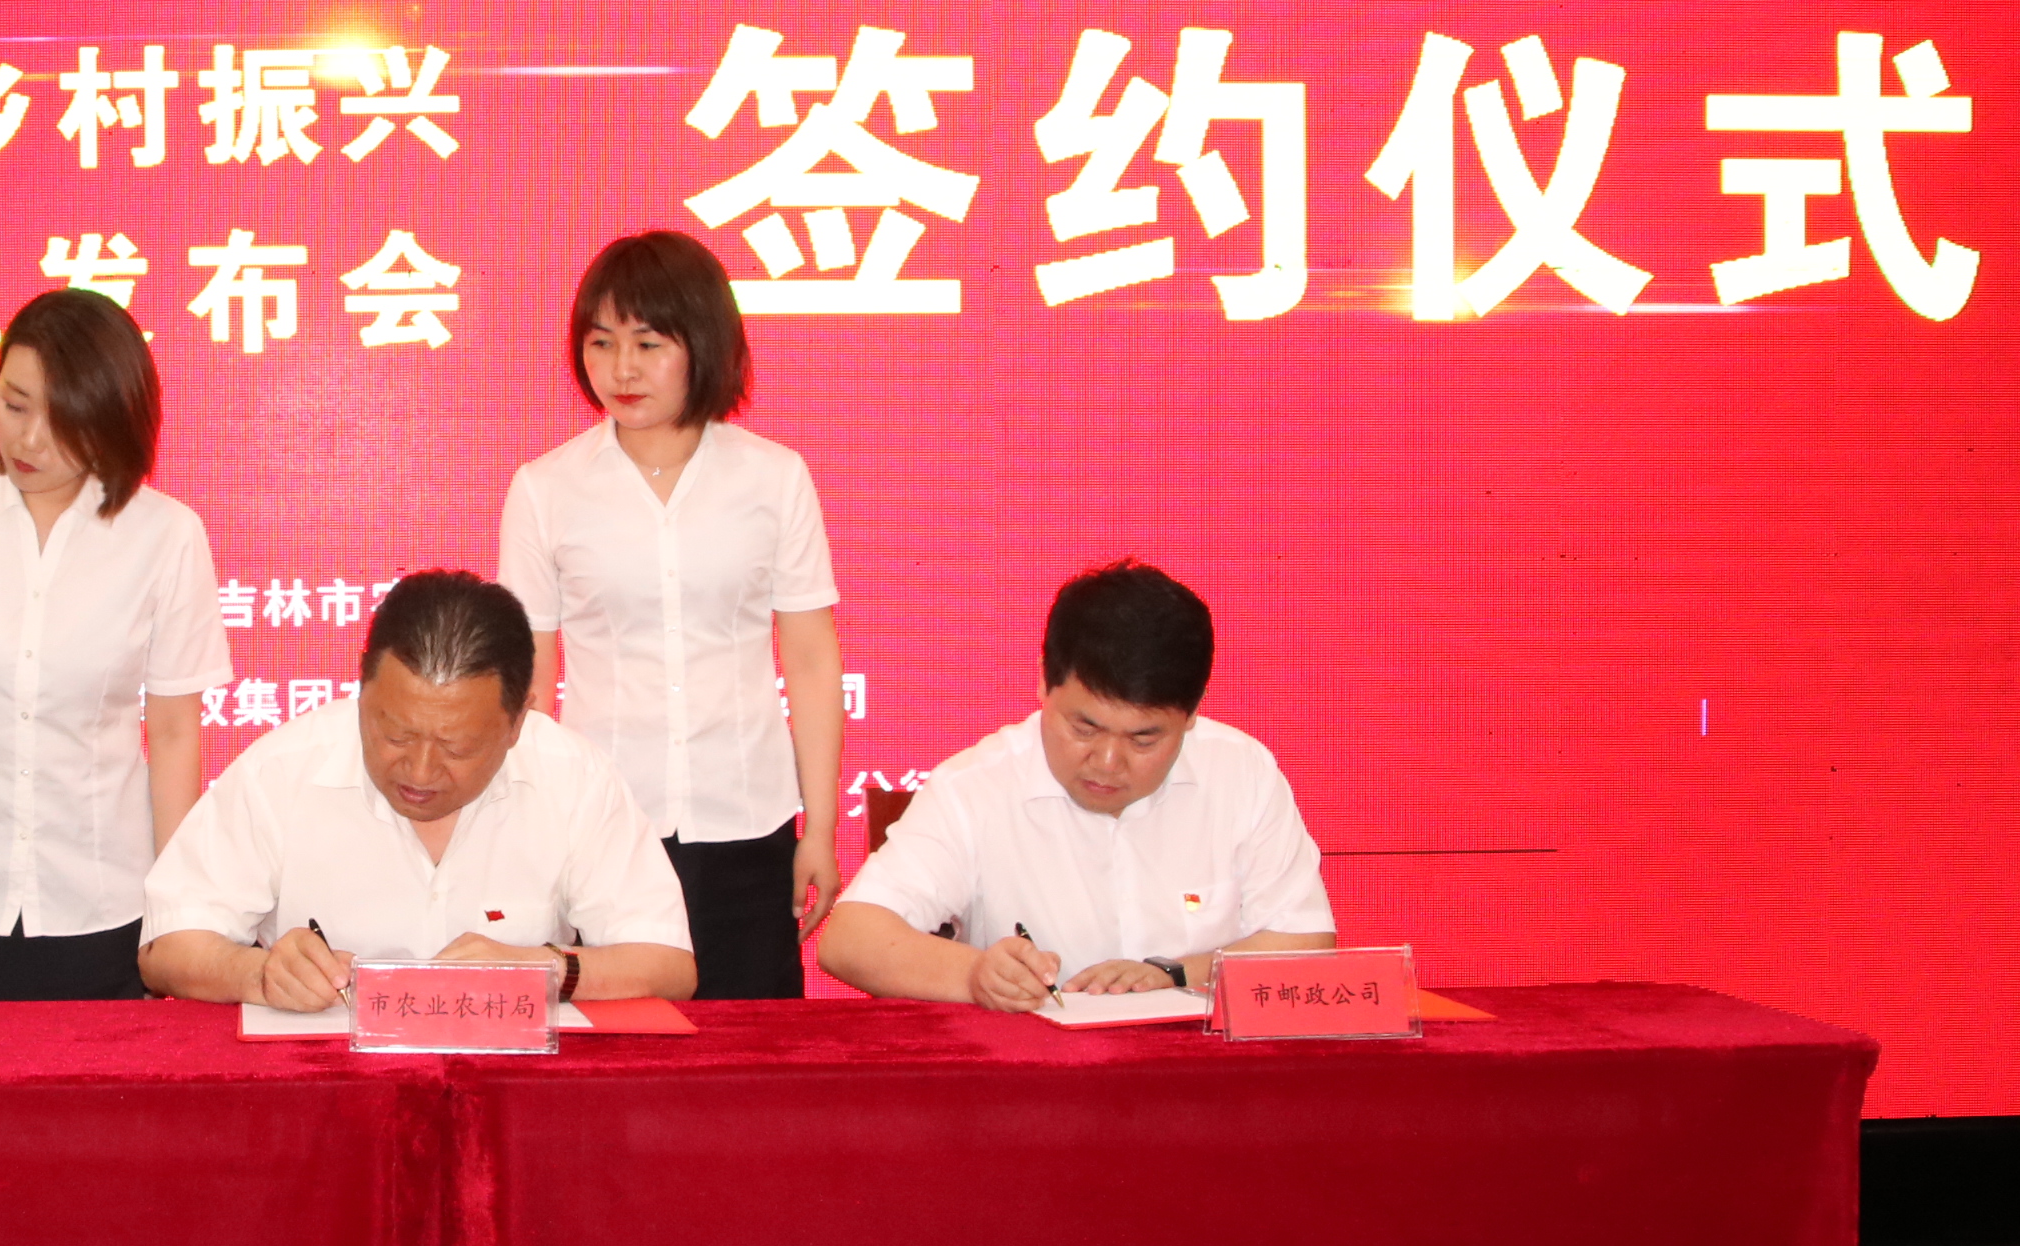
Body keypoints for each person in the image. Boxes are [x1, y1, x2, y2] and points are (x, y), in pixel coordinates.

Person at [497, 229, 844, 999]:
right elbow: (530, 685)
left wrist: (818, 829)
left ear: (703, 344)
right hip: (603, 825)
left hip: (748, 819)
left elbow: (812, 660)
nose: (621, 369)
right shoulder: (545, 489)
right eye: (601, 342)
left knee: (752, 1051)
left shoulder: (775, 477)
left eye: (648, 344)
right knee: (616, 1049)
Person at [0, 288, 227, 1001]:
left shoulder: (167, 536)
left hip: (107, 901)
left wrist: (175, 910)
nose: (28, 441)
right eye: (15, 405)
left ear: (111, 419)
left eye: (62, 422)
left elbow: (175, 734)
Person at [141, 571, 697, 1011]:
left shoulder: (573, 776)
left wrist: (547, 969)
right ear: (362, 694)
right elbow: (167, 946)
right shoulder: (281, 770)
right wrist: (260, 975)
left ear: (517, 722)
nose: (421, 772)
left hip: (514, 1083)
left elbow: (669, 964)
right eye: (395, 736)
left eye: (457, 747)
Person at [818, 561, 1334, 1011]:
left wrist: (1175, 975)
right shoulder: (976, 787)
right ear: (1044, 681)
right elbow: (850, 938)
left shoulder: (1241, 771)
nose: (1107, 763)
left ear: (1193, 712)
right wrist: (975, 976)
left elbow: (1305, 939)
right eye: (1084, 728)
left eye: (1144, 738)